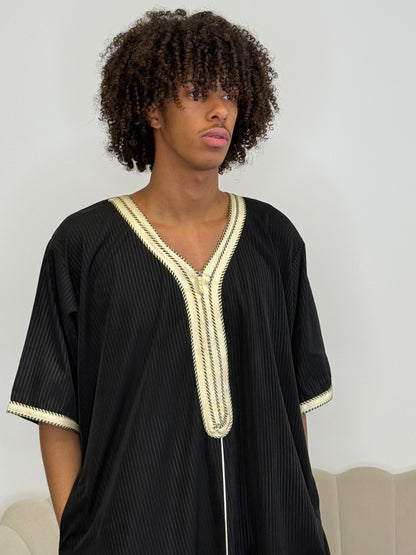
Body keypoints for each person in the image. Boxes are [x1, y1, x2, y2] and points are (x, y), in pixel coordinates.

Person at [7, 9, 333, 554]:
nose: (220, 109)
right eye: (198, 91)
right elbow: (57, 416)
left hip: (273, 532)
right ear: (152, 108)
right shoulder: (85, 245)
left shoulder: (274, 241)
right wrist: (83, 538)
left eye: (231, 94)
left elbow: (291, 405)